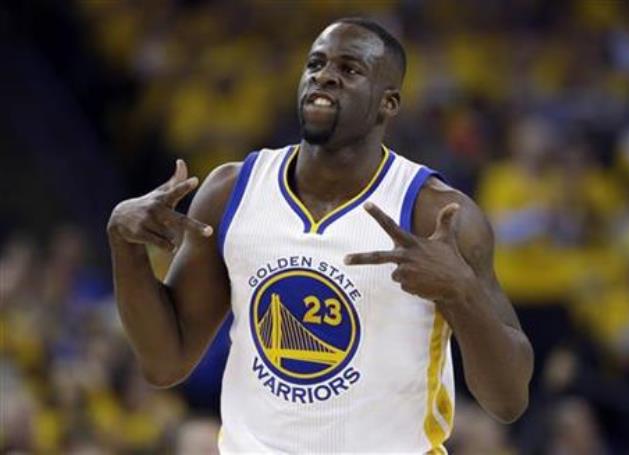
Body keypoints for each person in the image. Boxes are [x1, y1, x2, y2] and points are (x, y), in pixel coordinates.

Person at [107, 17, 533, 453]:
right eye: (316, 63)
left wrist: (461, 290)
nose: (325, 75)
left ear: (388, 103)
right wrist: (125, 246)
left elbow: (508, 399)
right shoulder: (231, 192)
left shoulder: (435, 213)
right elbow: (165, 363)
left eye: (350, 69)